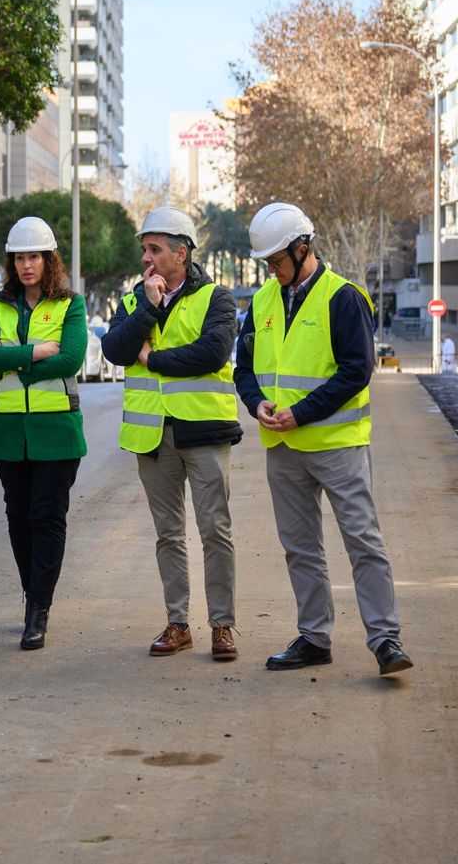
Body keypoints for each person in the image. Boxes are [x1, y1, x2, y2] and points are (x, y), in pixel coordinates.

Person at [237, 202, 412, 677]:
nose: (272, 272)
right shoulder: (262, 302)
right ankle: (315, 637)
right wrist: (257, 404)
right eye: (267, 265)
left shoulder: (344, 298)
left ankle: (385, 640)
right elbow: (244, 369)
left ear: (302, 248)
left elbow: (357, 372)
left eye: (277, 262)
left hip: (337, 445)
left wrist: (301, 413)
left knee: (363, 541)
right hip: (283, 447)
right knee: (300, 547)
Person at [100, 206, 244, 661]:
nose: (147, 257)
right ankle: (178, 624)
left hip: (202, 430)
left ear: (181, 253)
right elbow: (114, 349)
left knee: (215, 530)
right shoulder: (133, 300)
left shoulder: (217, 299)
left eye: (155, 249)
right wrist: (148, 307)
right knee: (169, 533)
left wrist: (155, 359)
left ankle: (222, 626)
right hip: (152, 435)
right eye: (144, 249)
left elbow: (212, 353)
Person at [0, 216, 87, 650]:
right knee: (18, 517)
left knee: (47, 517)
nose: (26, 265)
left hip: (55, 429)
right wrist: (35, 352)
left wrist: (13, 356)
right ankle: (31, 595)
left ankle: (39, 608)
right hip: (7, 432)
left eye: (33, 256)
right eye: (19, 257)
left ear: (48, 259)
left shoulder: (69, 304)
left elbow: (71, 359)